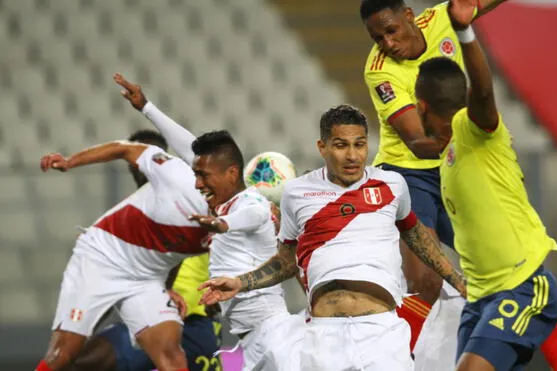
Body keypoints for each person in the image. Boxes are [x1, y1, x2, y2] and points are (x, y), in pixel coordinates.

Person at [361, 1, 557, 369]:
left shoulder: (444, 19)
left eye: (391, 31)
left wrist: (478, 145)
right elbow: (416, 141)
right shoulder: (379, 72)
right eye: (377, 37)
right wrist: (478, 142)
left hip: (455, 157)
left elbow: (476, 21)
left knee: (517, 267)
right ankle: (397, 361)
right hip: (411, 171)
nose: (387, 43)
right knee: (425, 279)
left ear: (410, 17)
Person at [199, 104, 467, 371]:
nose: (352, 155)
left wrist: (458, 281)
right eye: (341, 145)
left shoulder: (392, 184)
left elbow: (418, 238)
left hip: (381, 332)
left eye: (359, 144)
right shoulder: (297, 192)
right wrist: (241, 282)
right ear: (322, 147)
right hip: (324, 336)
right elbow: (286, 261)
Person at [114, 73, 305, 371]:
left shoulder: (250, 205)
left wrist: (222, 225)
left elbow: (249, 216)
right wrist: (146, 107)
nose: (197, 182)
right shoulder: (224, 197)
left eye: (203, 176)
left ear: (231, 174)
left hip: (272, 332)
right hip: (249, 336)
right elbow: (193, 150)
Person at [36, 131, 212, 371]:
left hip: (147, 282)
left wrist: (167, 288)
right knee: (64, 353)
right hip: (101, 260)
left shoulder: (229, 222)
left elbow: (176, 250)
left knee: (172, 358)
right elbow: (124, 148)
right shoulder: (175, 176)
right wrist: (70, 161)